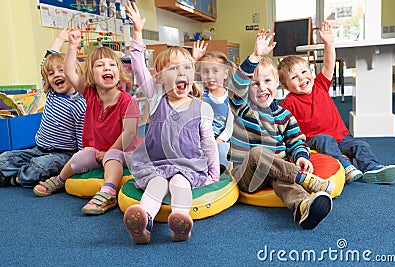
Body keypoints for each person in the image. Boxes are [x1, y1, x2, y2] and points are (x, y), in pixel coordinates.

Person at [122, 1, 219, 244]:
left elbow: (208, 143)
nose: (181, 73)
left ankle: (180, 222)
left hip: (187, 165)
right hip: (156, 163)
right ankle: (143, 223)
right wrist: (137, 33)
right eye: (173, 69)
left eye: (186, 68)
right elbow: (138, 69)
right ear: (159, 78)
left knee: (179, 184)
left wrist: (213, 173)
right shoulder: (156, 98)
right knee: (155, 185)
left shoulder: (201, 107)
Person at [229, 29, 335, 230]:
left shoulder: (285, 115)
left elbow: (296, 141)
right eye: (254, 84)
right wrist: (255, 57)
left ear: (278, 84)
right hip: (248, 175)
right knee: (258, 153)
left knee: (282, 180)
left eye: (267, 81)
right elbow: (236, 87)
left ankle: (303, 208)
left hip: (279, 171)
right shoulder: (243, 109)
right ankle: (304, 179)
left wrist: (301, 156)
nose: (262, 88)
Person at [32, 28, 140, 215]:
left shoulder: (127, 101)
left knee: (112, 157)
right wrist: (72, 46)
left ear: (119, 71)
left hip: (122, 152)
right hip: (96, 151)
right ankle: (60, 179)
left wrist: (109, 151)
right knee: (81, 156)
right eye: (100, 65)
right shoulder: (90, 94)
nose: (107, 68)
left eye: (112, 65)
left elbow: (129, 134)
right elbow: (69, 72)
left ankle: (108, 192)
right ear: (91, 74)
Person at [278, 21, 395, 184]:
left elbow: (329, 65)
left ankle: (372, 168)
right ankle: (346, 167)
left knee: (361, 145)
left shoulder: (320, 84)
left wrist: (329, 43)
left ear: (311, 72)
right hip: (315, 140)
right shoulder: (288, 102)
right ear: (285, 86)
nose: (302, 78)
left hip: (341, 137)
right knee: (325, 140)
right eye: (294, 77)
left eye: (304, 72)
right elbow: (283, 125)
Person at [0, 28, 86, 188]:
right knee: (4, 158)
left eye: (62, 71)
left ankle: (14, 179)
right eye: (51, 74)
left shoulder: (79, 103)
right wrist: (60, 39)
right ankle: (17, 170)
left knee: (40, 166)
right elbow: (44, 64)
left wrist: (80, 162)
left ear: (73, 73)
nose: (56, 75)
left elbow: (82, 135)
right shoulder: (52, 94)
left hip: (62, 154)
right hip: (38, 148)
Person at [192, 44, 236, 173]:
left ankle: (221, 176)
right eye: (205, 71)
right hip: (200, 139)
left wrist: (217, 142)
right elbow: (186, 78)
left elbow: (229, 128)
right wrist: (194, 60)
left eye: (215, 71)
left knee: (222, 151)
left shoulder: (231, 97)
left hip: (220, 141)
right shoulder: (200, 93)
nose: (210, 76)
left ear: (225, 73)